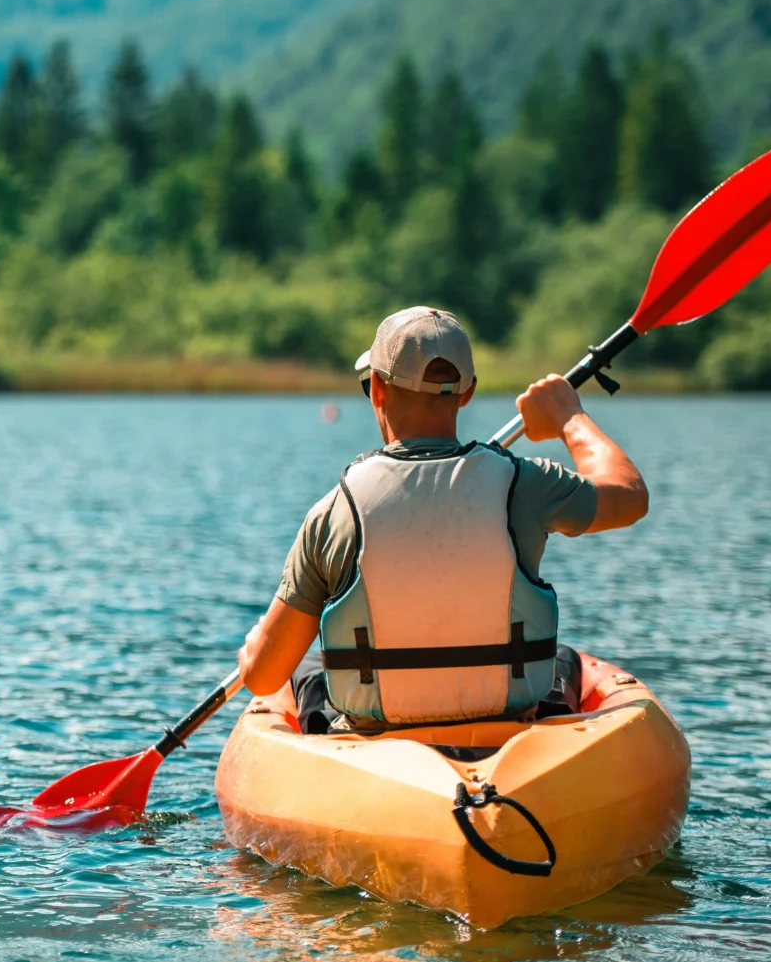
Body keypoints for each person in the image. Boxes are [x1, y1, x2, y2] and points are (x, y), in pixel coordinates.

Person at [234, 306, 650, 731]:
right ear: (467, 392)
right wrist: (568, 417)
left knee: (304, 665)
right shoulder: (524, 485)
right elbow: (630, 496)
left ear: (377, 388)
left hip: (375, 741)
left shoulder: (335, 511)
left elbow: (264, 676)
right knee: (564, 661)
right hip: (508, 729)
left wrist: (252, 651)